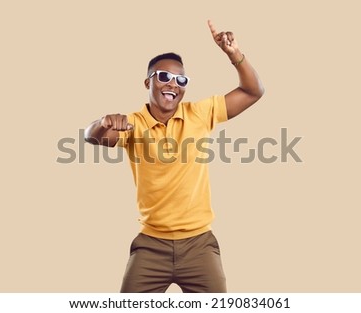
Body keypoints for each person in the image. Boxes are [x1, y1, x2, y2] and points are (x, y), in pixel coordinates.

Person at [84, 20, 264, 293]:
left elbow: (253, 91)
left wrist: (234, 54)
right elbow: (93, 137)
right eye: (164, 77)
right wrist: (103, 122)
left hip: (199, 244)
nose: (173, 84)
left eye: (181, 80)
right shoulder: (133, 124)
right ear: (148, 82)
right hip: (150, 245)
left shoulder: (200, 113)